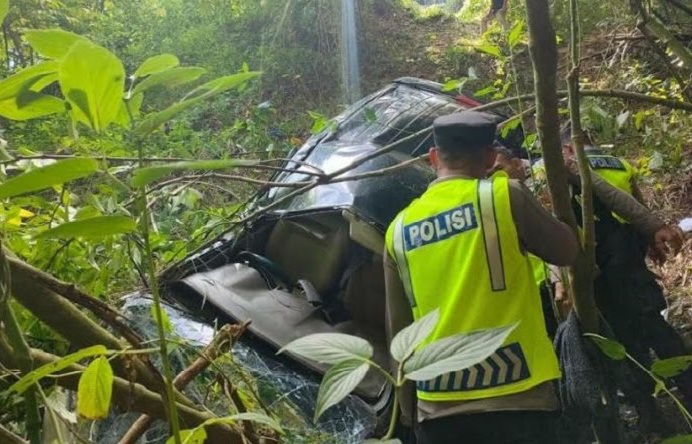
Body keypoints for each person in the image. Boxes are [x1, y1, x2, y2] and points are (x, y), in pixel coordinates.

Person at [384, 111, 579, 444]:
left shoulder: (398, 229)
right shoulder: (505, 196)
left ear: (433, 158)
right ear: (489, 158)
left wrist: (408, 408)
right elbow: (567, 253)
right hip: (518, 396)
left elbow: (399, 328)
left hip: (438, 407)